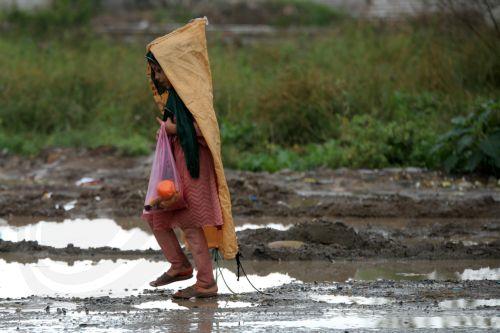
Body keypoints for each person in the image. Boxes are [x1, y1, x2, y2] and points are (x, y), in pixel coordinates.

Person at [144, 52, 223, 299]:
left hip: (194, 164)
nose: (157, 77)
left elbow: (207, 129)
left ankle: (206, 284)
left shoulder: (192, 97)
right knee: (154, 214)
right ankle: (179, 266)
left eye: (160, 70)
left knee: (189, 224)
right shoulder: (174, 100)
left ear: (174, 69)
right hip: (176, 165)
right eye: (155, 72)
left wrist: (174, 129)